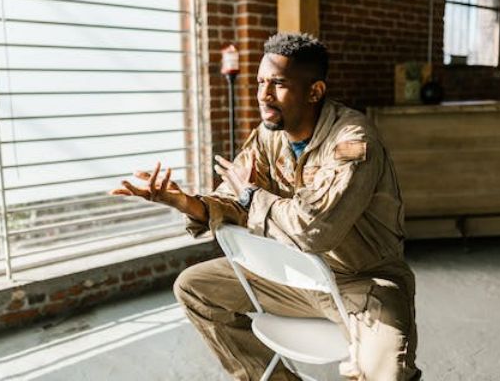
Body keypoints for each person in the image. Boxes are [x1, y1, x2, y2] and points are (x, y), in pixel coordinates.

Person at [110, 33, 421, 381]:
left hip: (361, 282)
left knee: (386, 375)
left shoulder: (352, 141)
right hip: (292, 277)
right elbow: (233, 198)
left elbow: (314, 230)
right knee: (194, 288)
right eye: (260, 82)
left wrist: (251, 196)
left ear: (315, 91)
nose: (263, 94)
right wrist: (187, 203)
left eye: (278, 83)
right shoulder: (267, 135)